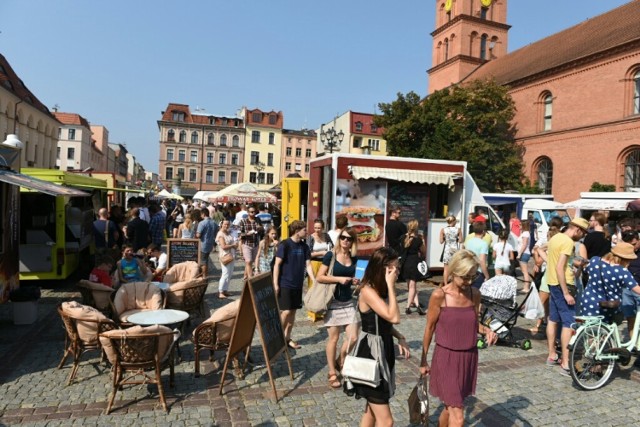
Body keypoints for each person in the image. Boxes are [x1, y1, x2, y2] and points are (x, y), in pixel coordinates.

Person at [420, 250, 497, 427]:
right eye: (464, 277)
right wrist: (423, 361)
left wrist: (487, 331)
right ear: (453, 272)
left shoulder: (474, 294)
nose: (469, 282)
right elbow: (429, 328)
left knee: (449, 408)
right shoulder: (440, 295)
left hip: (468, 357)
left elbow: (473, 324)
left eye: (473, 277)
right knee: (459, 416)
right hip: (446, 358)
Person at [349, 246, 410, 427]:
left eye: (398, 268)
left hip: (384, 349)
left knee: (371, 413)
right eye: (394, 268)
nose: (397, 272)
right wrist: (391, 286)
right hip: (371, 354)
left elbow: (386, 323)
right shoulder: (367, 291)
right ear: (383, 269)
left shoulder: (380, 289)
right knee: (386, 420)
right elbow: (394, 317)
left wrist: (399, 336)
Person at [315, 227, 360, 389]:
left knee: (353, 337)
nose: (345, 241)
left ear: (353, 242)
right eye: (343, 238)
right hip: (333, 302)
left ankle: (341, 359)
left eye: (349, 239)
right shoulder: (330, 256)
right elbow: (320, 277)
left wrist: (356, 281)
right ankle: (332, 371)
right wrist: (339, 279)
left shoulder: (355, 258)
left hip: (349, 302)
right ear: (339, 239)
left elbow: (358, 278)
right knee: (333, 339)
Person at [545, 217, 589, 376]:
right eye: (582, 233)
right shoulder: (568, 242)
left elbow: (554, 263)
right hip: (564, 285)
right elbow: (560, 267)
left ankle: (551, 355)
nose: (581, 237)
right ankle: (565, 362)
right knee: (568, 323)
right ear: (577, 229)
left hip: (552, 282)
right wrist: (566, 292)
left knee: (553, 319)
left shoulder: (555, 237)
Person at [272, 220, 315, 350]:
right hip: (285, 283)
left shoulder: (305, 247)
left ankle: (287, 338)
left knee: (293, 313)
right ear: (297, 231)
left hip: (298, 284)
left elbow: (308, 265)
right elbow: (277, 265)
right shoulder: (285, 245)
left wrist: (314, 280)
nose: (307, 232)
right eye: (304, 230)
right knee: (286, 312)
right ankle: (277, 338)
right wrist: (275, 283)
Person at [579, 242, 640, 323]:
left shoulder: (595, 260)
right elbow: (636, 289)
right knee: (606, 330)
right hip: (609, 305)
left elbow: (585, 269)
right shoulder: (622, 271)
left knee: (590, 331)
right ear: (625, 259)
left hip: (589, 301)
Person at [306, 218, 334, 321]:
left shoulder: (326, 236)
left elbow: (333, 247)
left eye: (319, 228)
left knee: (323, 287)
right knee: (313, 286)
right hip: (314, 263)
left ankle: (322, 309)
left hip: (325, 263)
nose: (317, 230)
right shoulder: (311, 237)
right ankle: (312, 312)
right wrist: (321, 253)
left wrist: (329, 253)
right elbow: (308, 253)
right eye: (315, 227)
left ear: (323, 228)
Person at [399, 220, 426, 315]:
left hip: (405, 263)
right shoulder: (418, 240)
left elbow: (401, 249)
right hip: (414, 262)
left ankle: (418, 306)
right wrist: (423, 240)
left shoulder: (402, 238)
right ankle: (407, 307)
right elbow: (423, 251)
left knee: (411, 286)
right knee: (412, 286)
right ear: (416, 228)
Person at [462, 221, 491, 288]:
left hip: (468, 270)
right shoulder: (483, 244)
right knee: (476, 294)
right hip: (478, 272)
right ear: (483, 231)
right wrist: (487, 276)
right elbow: (482, 261)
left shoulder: (468, 242)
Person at [239, 206, 264, 280]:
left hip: (256, 243)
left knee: (252, 261)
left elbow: (262, 230)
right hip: (247, 243)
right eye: (251, 212)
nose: (253, 213)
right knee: (248, 261)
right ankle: (250, 278)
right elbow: (240, 234)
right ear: (248, 212)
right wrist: (247, 233)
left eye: (254, 212)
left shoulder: (258, 219)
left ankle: (245, 275)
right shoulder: (243, 221)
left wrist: (260, 228)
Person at [216, 219, 238, 299]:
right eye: (225, 224)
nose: (226, 226)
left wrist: (235, 245)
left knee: (229, 274)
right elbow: (223, 246)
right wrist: (233, 245)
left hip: (231, 255)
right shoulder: (220, 234)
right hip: (225, 255)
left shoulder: (228, 233)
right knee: (225, 274)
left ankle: (225, 290)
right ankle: (220, 291)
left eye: (228, 224)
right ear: (221, 224)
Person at [439, 215, 462, 285]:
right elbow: (461, 240)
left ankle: (445, 284)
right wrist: (456, 239)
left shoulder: (443, 230)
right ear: (454, 221)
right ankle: (453, 283)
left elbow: (441, 241)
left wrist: (445, 238)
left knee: (446, 269)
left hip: (447, 249)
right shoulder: (458, 230)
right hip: (455, 249)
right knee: (455, 268)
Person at [196, 208, 218, 279]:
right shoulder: (214, 222)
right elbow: (216, 233)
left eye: (201, 215)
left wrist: (196, 234)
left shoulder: (202, 223)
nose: (200, 216)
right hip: (210, 244)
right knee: (206, 259)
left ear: (203, 214)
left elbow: (198, 235)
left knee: (203, 261)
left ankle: (204, 276)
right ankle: (206, 273)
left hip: (203, 244)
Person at [518, 219, 532, 292]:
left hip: (524, 253)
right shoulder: (525, 233)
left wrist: (519, 254)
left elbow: (524, 244)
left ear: (524, 225)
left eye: (520, 224)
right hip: (524, 253)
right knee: (524, 271)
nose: (519, 225)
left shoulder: (525, 234)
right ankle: (525, 286)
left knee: (525, 272)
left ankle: (526, 287)